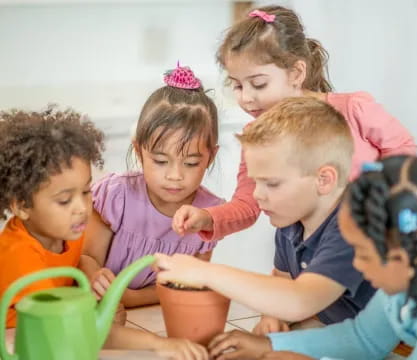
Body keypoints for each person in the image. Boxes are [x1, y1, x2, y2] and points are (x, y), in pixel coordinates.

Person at [172, 5, 417, 244]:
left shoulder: (353, 109)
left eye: (258, 84)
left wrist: (377, 197)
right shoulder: (257, 136)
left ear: (297, 73)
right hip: (311, 249)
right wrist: (206, 217)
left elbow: (403, 149)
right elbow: (248, 204)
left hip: (371, 242)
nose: (246, 98)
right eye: (237, 85)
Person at [207, 155, 417, 360]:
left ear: (401, 254)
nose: (357, 265)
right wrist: (269, 346)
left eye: (361, 253)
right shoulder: (411, 268)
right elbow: (363, 339)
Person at [155, 97, 375, 335]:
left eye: (271, 183)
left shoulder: (354, 223)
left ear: (324, 180)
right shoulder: (290, 224)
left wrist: (203, 272)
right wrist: (272, 317)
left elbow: (301, 299)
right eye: (256, 181)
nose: (258, 195)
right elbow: (283, 283)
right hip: (343, 328)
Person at [0, 107, 208, 358]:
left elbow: (72, 287)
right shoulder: (20, 256)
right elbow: (79, 329)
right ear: (21, 205)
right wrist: (159, 343)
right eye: (65, 200)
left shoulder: (64, 232)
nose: (82, 209)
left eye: (86, 192)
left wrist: (93, 282)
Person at [79, 64, 224, 308]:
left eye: (190, 163)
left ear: (210, 157)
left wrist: (131, 299)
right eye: (160, 161)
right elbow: (86, 257)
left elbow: (189, 282)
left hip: (154, 314)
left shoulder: (210, 214)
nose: (175, 175)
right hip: (97, 311)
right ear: (139, 151)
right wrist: (94, 277)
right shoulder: (117, 195)